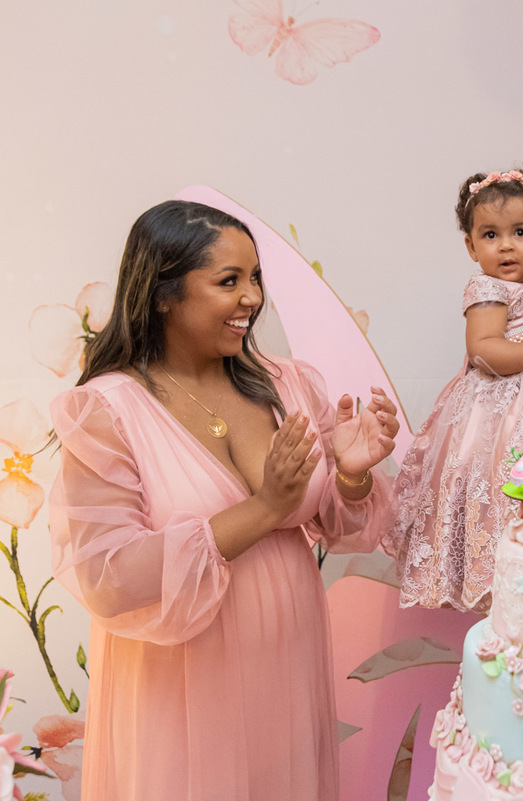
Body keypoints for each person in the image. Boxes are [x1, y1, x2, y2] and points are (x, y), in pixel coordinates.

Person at [48, 200, 399, 801]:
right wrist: (264, 509)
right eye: (229, 281)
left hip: (285, 665)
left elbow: (343, 526)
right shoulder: (106, 410)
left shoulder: (289, 383)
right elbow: (108, 577)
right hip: (180, 685)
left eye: (255, 278)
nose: (252, 298)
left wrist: (351, 474)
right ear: (164, 294)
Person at [383, 168, 523, 612]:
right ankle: (503, 568)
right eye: (490, 235)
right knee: (503, 485)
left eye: (519, 232)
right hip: (505, 407)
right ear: (471, 246)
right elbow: (482, 349)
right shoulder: (487, 287)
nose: (506, 246)